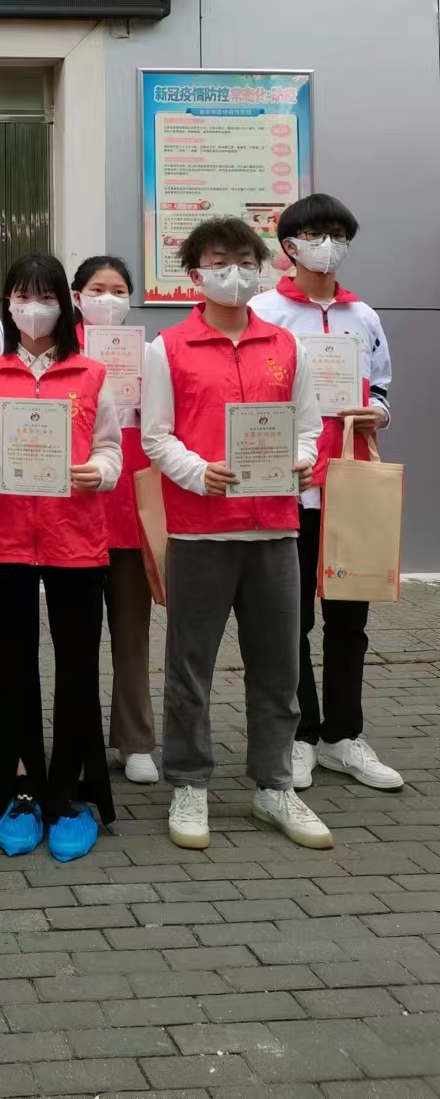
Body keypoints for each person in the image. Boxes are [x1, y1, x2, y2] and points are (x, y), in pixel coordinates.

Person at [141, 216, 329, 851]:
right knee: (189, 666)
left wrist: (301, 459)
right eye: (219, 262)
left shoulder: (286, 345)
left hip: (275, 528)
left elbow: (309, 426)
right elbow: (156, 436)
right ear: (195, 274)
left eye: (246, 262)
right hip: (201, 530)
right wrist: (198, 473)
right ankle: (189, 782)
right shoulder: (167, 348)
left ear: (262, 269)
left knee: (278, 666)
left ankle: (275, 785)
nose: (235, 274)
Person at [0, 253, 122, 863]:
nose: (34, 309)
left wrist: (97, 473)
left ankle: (71, 794)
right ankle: (21, 790)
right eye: (22, 297)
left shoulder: (93, 375)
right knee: (12, 670)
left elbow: (110, 450)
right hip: (4, 538)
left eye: (46, 297)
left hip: (75, 538)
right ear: (7, 305)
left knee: (78, 670)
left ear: (65, 305)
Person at [250, 194, 401, 792]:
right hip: (290, 487)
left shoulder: (363, 315)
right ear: (290, 245)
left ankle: (344, 735)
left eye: (339, 235)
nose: (328, 245)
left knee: (349, 618)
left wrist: (377, 413)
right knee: (291, 621)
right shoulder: (263, 312)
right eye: (316, 234)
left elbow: (382, 387)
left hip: (350, 483)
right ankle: (301, 735)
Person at [71, 254, 158, 787]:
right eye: (97, 289)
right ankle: (79, 738)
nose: (108, 299)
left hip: (131, 508)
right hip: (77, 510)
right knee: (77, 638)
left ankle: (135, 739)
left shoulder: (149, 354)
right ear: (76, 297)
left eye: (119, 290)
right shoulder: (64, 352)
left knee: (131, 634)